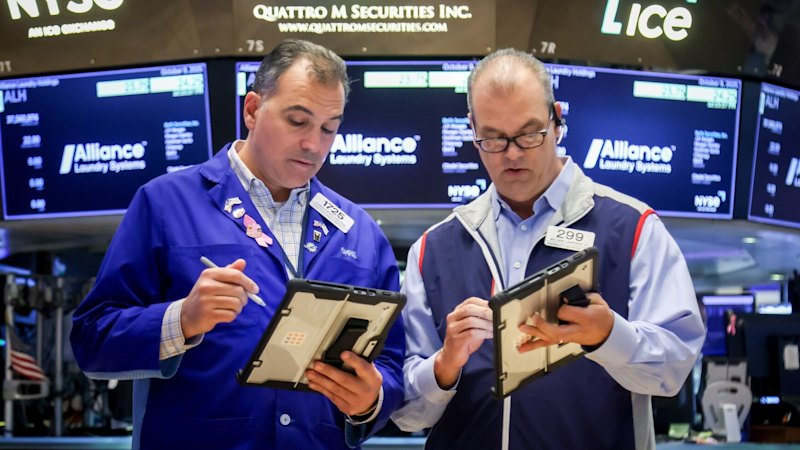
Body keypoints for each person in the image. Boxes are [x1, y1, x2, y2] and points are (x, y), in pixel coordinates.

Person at [70, 39, 404, 450]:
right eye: (297, 121)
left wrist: (371, 399)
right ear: (252, 110)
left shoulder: (360, 232)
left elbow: (392, 363)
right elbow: (91, 340)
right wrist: (181, 320)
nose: (313, 145)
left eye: (328, 129)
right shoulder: (164, 203)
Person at [390, 48, 705, 450]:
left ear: (557, 121)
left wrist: (609, 335)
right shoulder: (434, 248)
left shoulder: (633, 228)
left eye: (529, 133)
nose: (513, 153)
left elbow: (673, 368)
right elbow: (407, 414)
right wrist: (444, 365)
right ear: (472, 130)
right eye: (493, 138)